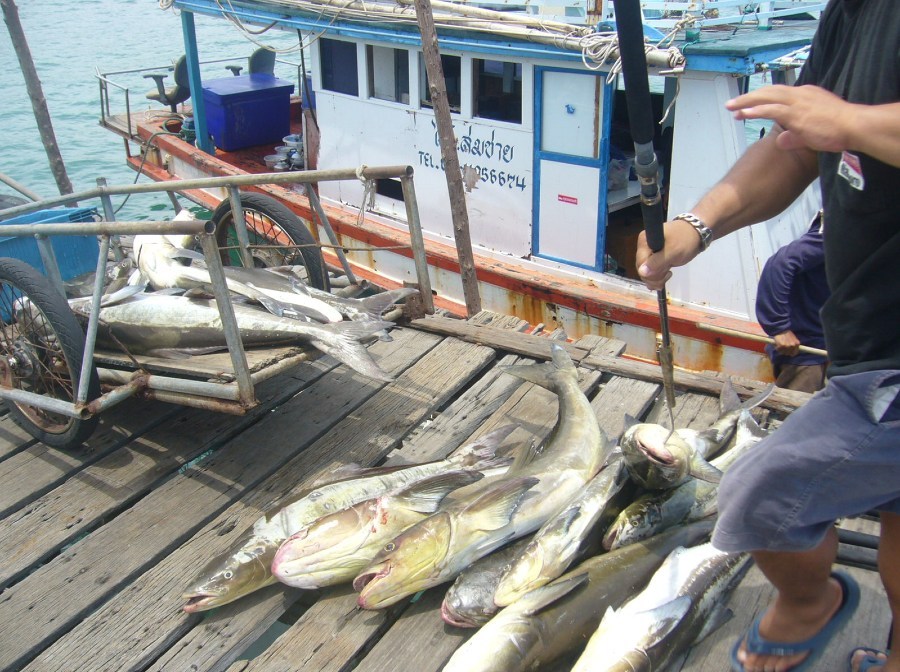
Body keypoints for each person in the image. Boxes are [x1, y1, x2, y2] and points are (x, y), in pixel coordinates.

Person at [635, 1, 900, 671]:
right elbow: (798, 147)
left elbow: (834, 125)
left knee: (760, 491)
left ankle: (811, 603)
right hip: (866, 333)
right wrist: (696, 227)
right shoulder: (856, 10)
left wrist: (850, 122)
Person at [755, 211, 829, 393]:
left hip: (830, 350)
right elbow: (780, 264)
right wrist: (779, 327)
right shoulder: (839, 231)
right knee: (789, 415)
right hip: (806, 356)